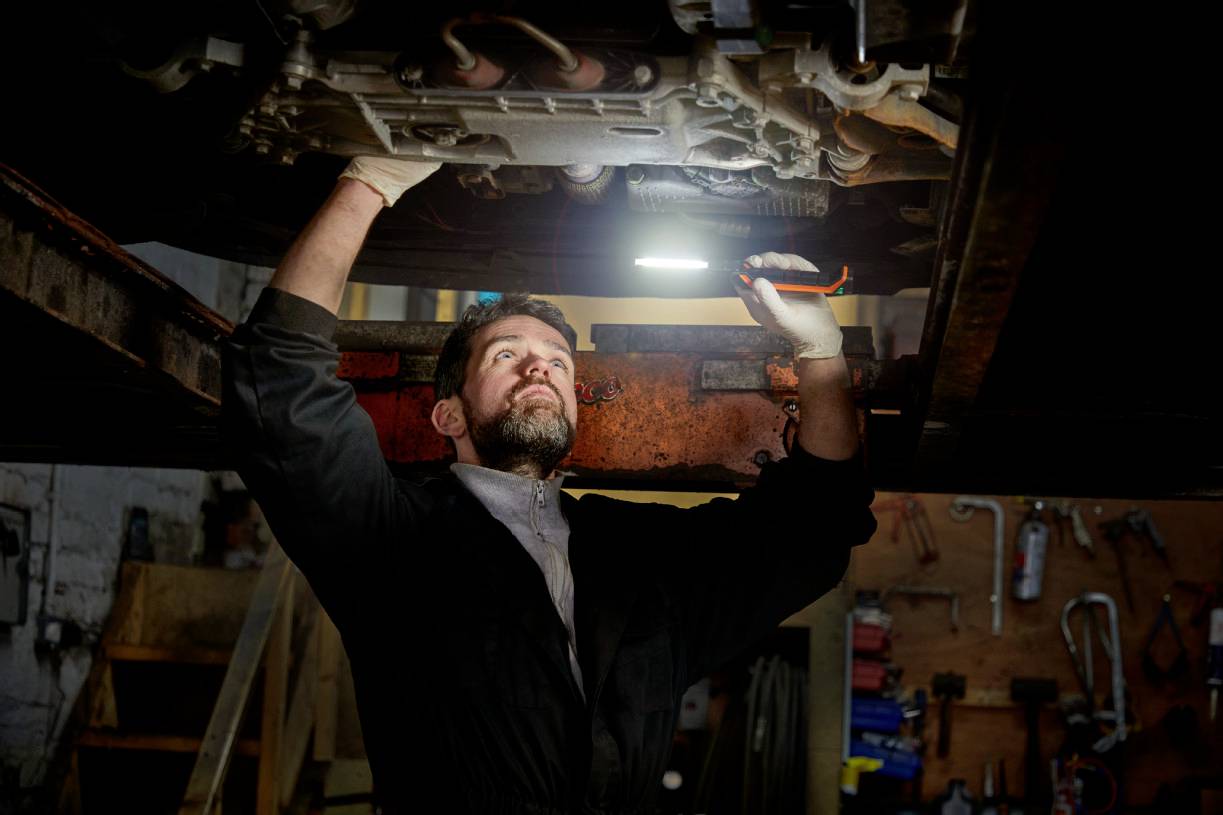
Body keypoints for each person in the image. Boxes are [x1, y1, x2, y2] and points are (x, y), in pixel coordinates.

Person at [222, 156, 877, 814]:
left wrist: (819, 353)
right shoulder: (392, 538)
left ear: (572, 411)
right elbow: (279, 381)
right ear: (447, 414)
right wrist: (368, 183)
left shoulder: (640, 557)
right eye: (506, 354)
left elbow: (812, 532)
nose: (540, 364)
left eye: (558, 362)